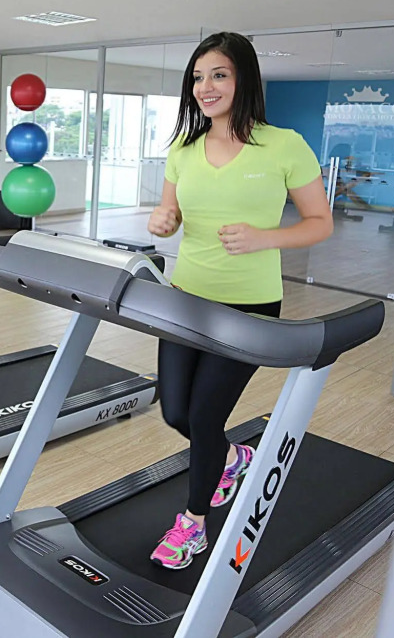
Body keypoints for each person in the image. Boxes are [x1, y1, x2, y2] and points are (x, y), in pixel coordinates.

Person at [146, 32, 333, 570]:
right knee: (175, 412)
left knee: (205, 417)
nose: (206, 87)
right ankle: (233, 457)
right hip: (185, 299)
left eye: (219, 75)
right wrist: (163, 221)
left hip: (249, 307)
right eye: (198, 77)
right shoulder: (183, 149)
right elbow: (171, 215)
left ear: (244, 78)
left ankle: (193, 524)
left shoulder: (284, 146)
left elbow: (320, 223)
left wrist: (264, 237)